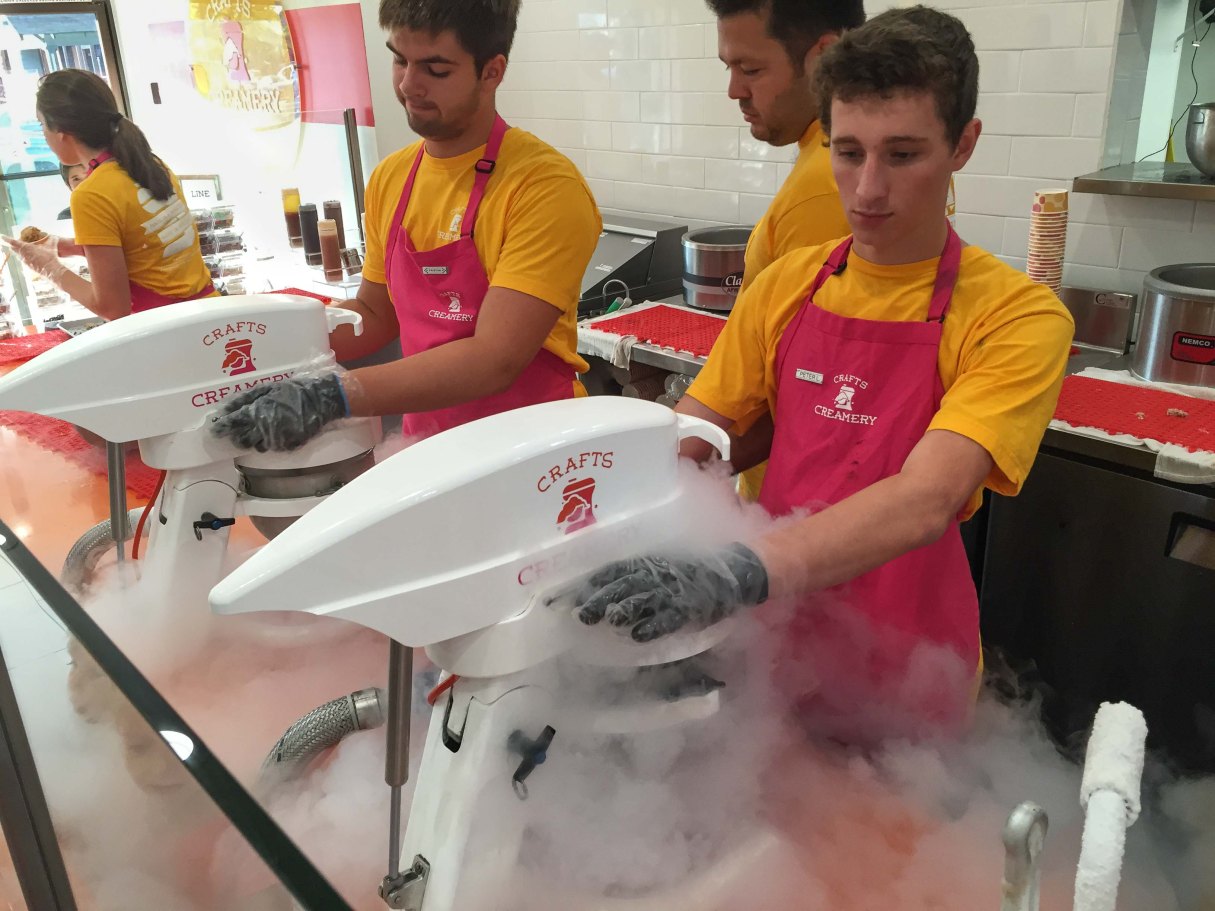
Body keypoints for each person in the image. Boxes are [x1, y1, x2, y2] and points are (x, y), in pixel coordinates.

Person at [576, 6, 1075, 741]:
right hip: (766, 645)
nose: (867, 189)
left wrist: (737, 569)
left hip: (906, 669)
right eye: (847, 152)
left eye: (902, 155)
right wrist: (591, 517)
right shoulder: (786, 286)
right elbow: (701, 438)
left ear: (962, 144)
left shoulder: (1016, 316)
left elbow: (924, 497)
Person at [210, 0, 601, 453]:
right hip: (427, 449)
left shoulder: (543, 187)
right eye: (400, 59)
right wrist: (258, 344)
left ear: (492, 72)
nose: (408, 85)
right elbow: (375, 317)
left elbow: (495, 360)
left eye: (436, 69)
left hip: (533, 453)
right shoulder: (392, 177)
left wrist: (333, 394)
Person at [703, 0, 864, 500]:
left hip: (796, 496)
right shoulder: (820, 161)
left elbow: (807, 387)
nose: (734, 91)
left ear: (824, 55)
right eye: (730, 68)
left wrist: (682, 474)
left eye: (751, 69)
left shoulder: (825, 184)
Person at [2, 69, 215, 320]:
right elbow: (141, 247)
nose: (44, 135)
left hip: (165, 329)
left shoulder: (90, 195)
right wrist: (58, 246)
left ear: (61, 132)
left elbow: (113, 308)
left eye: (42, 125)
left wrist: (48, 268)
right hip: (207, 314)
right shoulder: (149, 163)